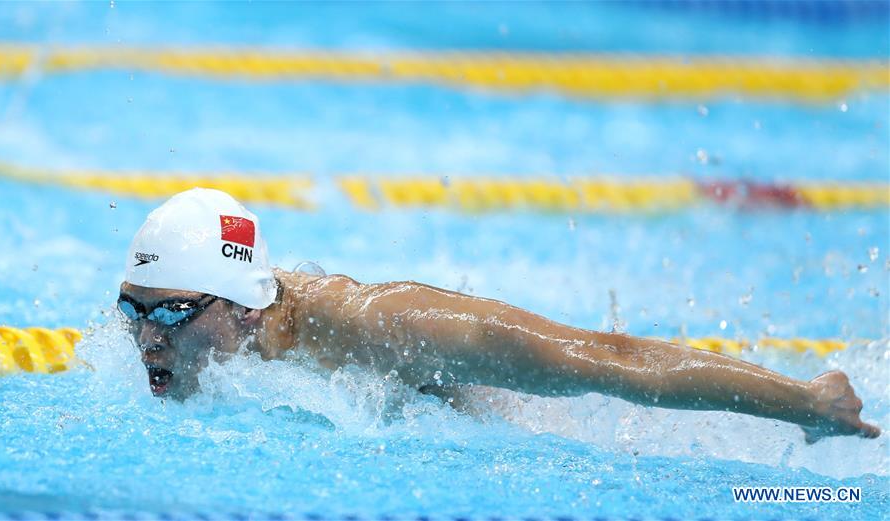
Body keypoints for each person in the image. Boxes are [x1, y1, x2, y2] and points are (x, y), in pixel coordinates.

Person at [118, 188, 880, 444]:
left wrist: (805, 402)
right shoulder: (201, 335)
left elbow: (609, 356)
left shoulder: (387, 327)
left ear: (248, 312)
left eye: (176, 313)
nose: (150, 338)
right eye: (136, 312)